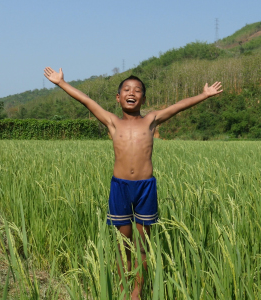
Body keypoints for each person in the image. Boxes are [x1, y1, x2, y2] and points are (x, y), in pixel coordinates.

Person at [43, 67, 222, 299]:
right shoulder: (112, 122)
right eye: (126, 89)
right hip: (120, 187)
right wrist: (61, 83)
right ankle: (122, 287)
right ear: (118, 98)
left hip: (145, 188)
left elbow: (178, 106)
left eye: (137, 90)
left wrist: (204, 95)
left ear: (143, 98)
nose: (132, 93)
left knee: (143, 245)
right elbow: (86, 100)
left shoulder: (150, 120)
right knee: (123, 243)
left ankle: (137, 291)